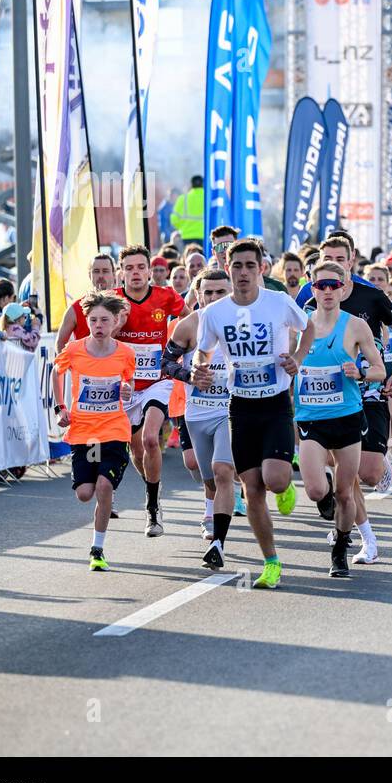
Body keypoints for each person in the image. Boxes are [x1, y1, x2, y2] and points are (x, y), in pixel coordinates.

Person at [193, 239, 312, 589]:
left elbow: (309, 329)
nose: (243, 273)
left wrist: (298, 360)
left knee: (274, 480)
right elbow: (203, 352)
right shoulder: (214, 313)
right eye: (237, 266)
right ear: (228, 269)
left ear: (261, 269)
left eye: (249, 266)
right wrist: (200, 369)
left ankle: (286, 485)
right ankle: (271, 562)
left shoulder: (278, 302)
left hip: (274, 404)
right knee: (253, 489)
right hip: (240, 408)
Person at [295, 261, 386, 574]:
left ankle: (339, 549)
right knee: (316, 491)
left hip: (346, 417)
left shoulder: (356, 326)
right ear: (313, 288)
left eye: (335, 285)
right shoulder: (300, 324)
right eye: (322, 285)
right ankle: (327, 481)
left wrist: (360, 371)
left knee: (346, 494)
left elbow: (379, 370)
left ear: (345, 288)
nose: (329, 291)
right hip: (310, 419)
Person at [52, 292, 136, 571]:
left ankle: (97, 549)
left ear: (115, 322)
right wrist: (61, 407)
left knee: (103, 486)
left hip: (114, 430)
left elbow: (129, 383)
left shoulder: (125, 353)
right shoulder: (75, 349)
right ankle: (104, 493)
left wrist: (127, 390)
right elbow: (57, 371)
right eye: (93, 320)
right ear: (86, 322)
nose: (98, 325)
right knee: (85, 494)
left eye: (104, 320)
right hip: (85, 432)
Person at [162, 269, 238, 568]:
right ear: (198, 294)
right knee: (209, 480)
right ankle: (212, 506)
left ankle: (218, 544)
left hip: (231, 410)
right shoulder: (189, 325)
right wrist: (190, 375)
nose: (215, 298)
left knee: (222, 472)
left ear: (231, 292)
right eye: (208, 292)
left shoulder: (241, 323)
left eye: (221, 292)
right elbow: (166, 363)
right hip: (197, 413)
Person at [114, 245, 186, 535]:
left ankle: (153, 507)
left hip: (158, 380)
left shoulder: (165, 296)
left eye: (140, 267)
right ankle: (152, 487)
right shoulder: (113, 301)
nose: (135, 273)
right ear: (122, 272)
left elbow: (191, 318)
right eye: (129, 268)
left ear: (149, 270)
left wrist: (182, 352)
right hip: (127, 386)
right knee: (136, 448)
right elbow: (95, 330)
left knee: (151, 439)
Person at [57, 254, 120, 350]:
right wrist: (68, 364)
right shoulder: (76, 308)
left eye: (105, 271)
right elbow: (60, 344)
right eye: (96, 271)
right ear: (89, 275)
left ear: (114, 274)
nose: (101, 276)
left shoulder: (124, 306)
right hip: (86, 364)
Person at [170, 176, 206, 246]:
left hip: (186, 236)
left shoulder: (183, 198)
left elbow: (174, 219)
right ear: (203, 184)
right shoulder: (208, 199)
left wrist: (182, 227)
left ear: (191, 185)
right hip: (204, 236)